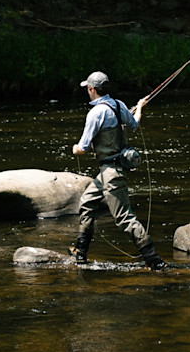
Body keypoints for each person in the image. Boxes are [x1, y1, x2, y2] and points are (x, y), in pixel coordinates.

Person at [68, 71, 165, 270]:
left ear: (92, 89)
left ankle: (154, 259)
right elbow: (134, 123)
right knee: (87, 203)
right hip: (108, 172)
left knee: (124, 219)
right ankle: (80, 252)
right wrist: (139, 107)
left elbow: (83, 148)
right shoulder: (119, 105)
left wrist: (74, 149)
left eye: (88, 88)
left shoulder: (95, 113)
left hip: (111, 173)